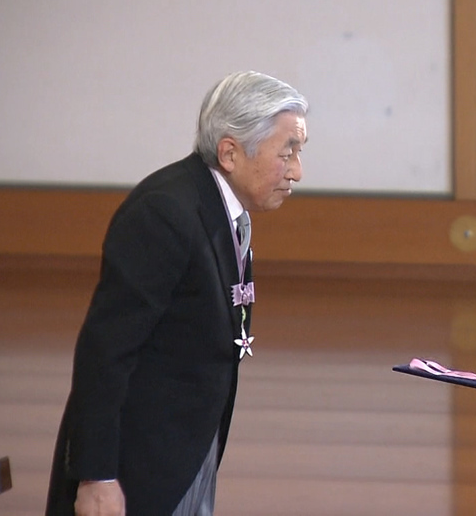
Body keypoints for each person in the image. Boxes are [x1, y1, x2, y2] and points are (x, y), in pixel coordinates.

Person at [46, 71, 308, 515]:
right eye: (287, 153)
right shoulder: (164, 213)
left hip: (187, 452)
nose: (297, 171)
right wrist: (97, 476)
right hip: (134, 472)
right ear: (230, 153)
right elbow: (105, 351)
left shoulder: (221, 208)